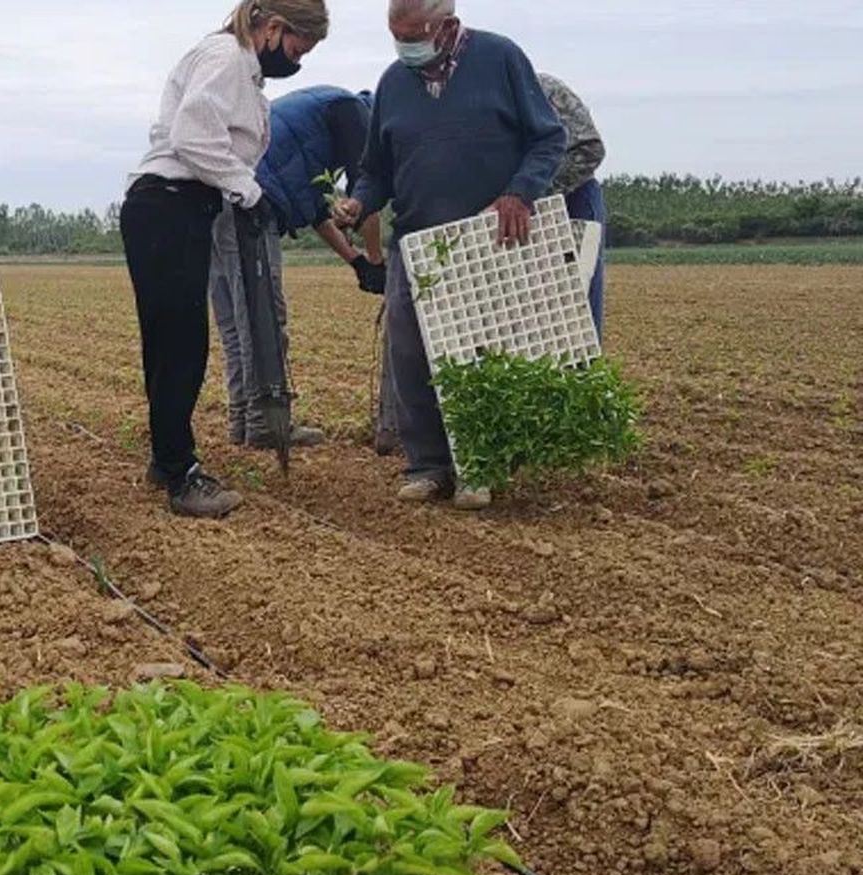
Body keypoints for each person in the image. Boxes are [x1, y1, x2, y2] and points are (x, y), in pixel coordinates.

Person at [334, 0, 565, 511]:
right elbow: (377, 171)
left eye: (414, 35)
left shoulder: (501, 60)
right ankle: (428, 465)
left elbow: (549, 139)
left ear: (449, 26)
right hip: (416, 241)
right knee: (412, 354)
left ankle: (479, 464)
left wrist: (520, 192)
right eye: (398, 36)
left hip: (489, 239)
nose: (405, 47)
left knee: (484, 351)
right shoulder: (394, 83)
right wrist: (358, 201)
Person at [123, 0, 328, 519]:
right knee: (180, 346)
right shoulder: (226, 57)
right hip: (168, 204)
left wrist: (242, 192)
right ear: (274, 28)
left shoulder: (243, 70)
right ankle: (179, 473)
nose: (299, 60)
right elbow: (192, 136)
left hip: (179, 208)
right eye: (300, 47)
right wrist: (248, 190)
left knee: (174, 344)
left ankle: (165, 459)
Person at [212, 85, 385, 449]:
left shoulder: (315, 120)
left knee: (236, 322)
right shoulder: (354, 112)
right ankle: (266, 426)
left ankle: (242, 420)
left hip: (214, 200)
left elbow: (317, 213)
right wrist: (377, 261)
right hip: (249, 205)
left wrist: (355, 262)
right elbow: (365, 194)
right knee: (263, 318)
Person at [539, 72, 608, 336]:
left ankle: (582, 372)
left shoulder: (547, 90)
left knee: (578, 299)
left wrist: (533, 193)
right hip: (511, 208)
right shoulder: (475, 107)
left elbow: (590, 149)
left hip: (572, 198)